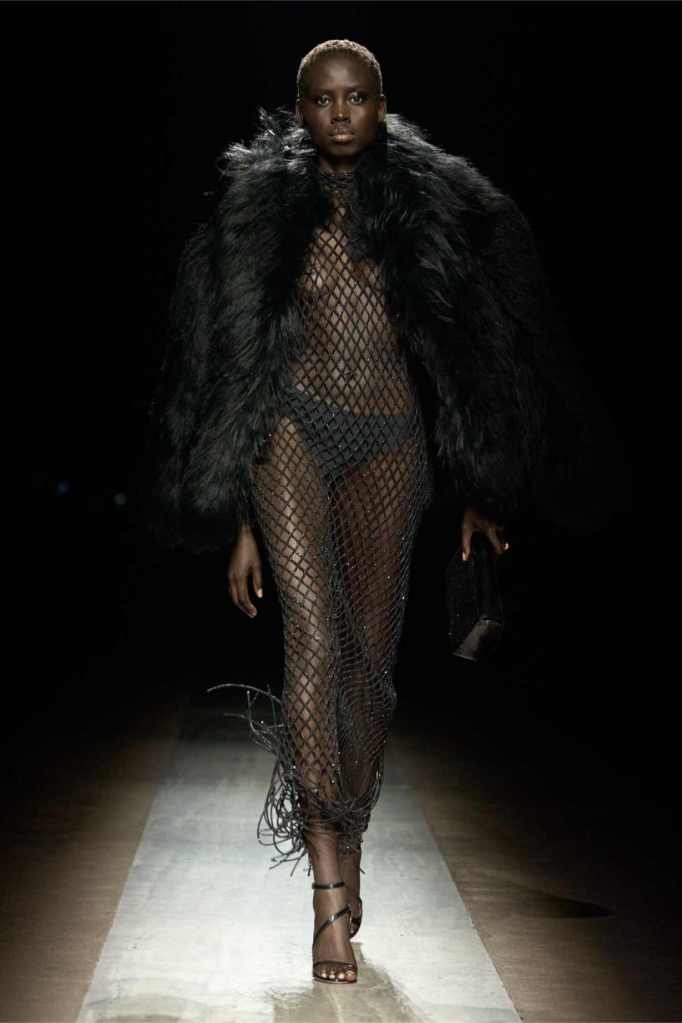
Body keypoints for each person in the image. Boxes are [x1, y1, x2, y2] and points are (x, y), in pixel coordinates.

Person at [143, 39, 593, 984]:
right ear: (299, 109)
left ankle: (351, 836)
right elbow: (231, 363)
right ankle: (326, 890)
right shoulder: (259, 211)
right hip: (291, 432)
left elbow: (476, 349)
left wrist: (481, 483)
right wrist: (239, 519)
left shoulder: (434, 204)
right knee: (312, 639)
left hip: (393, 440)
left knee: (369, 665)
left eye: (356, 98)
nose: (340, 114)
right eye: (322, 99)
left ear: (382, 106)